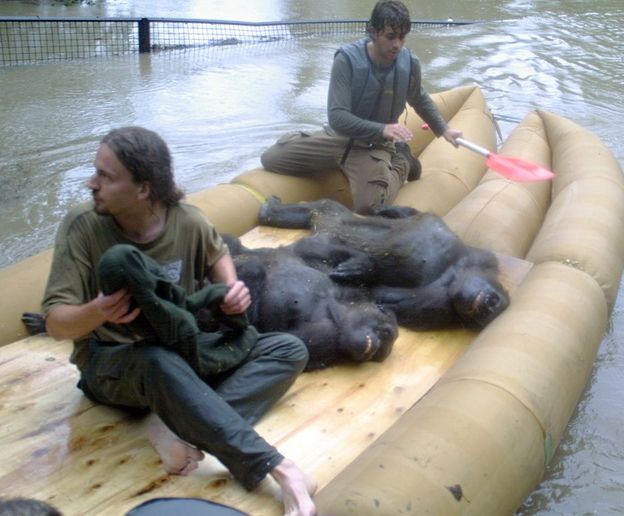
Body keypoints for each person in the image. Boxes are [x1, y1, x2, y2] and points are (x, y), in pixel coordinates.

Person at [41, 126, 317, 516]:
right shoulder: (82, 225)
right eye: (96, 172)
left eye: (106, 176)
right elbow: (55, 323)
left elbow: (217, 253)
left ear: (143, 189)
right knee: (156, 359)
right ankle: (279, 468)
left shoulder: (187, 221)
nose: (92, 184)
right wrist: (96, 311)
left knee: (288, 349)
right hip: (112, 363)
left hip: (183, 350)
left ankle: (173, 424)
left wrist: (232, 289)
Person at [261, 0, 464, 215]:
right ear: (374, 32)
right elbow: (337, 117)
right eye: (391, 36)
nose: (397, 44)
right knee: (271, 159)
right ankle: (320, 153)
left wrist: (444, 129)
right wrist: (382, 128)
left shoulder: (410, 64)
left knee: (370, 207)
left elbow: (419, 98)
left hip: (373, 146)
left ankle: (402, 160)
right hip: (337, 137)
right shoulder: (346, 60)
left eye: (402, 37)